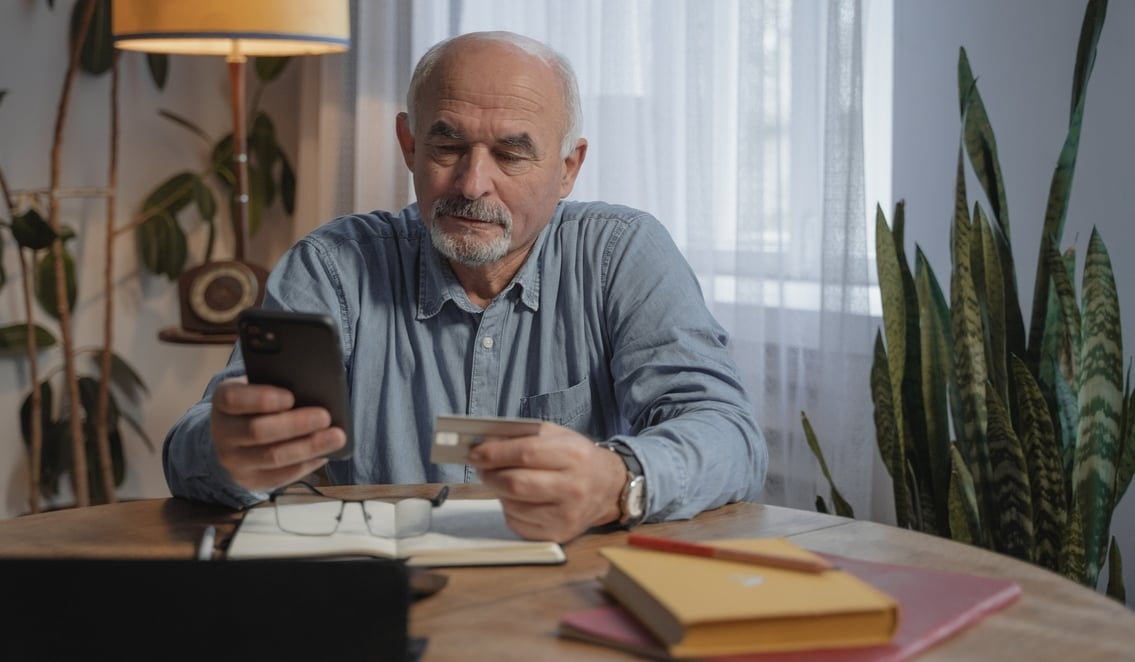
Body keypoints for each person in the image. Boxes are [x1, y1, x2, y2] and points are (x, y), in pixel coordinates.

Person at [163, 30, 767, 543]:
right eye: (447, 145)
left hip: (571, 594)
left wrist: (618, 480)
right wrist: (229, 449)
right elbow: (191, 449)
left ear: (567, 169)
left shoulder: (620, 254)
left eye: (511, 154)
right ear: (408, 144)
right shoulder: (332, 267)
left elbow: (728, 434)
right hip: (385, 594)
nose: (473, 183)